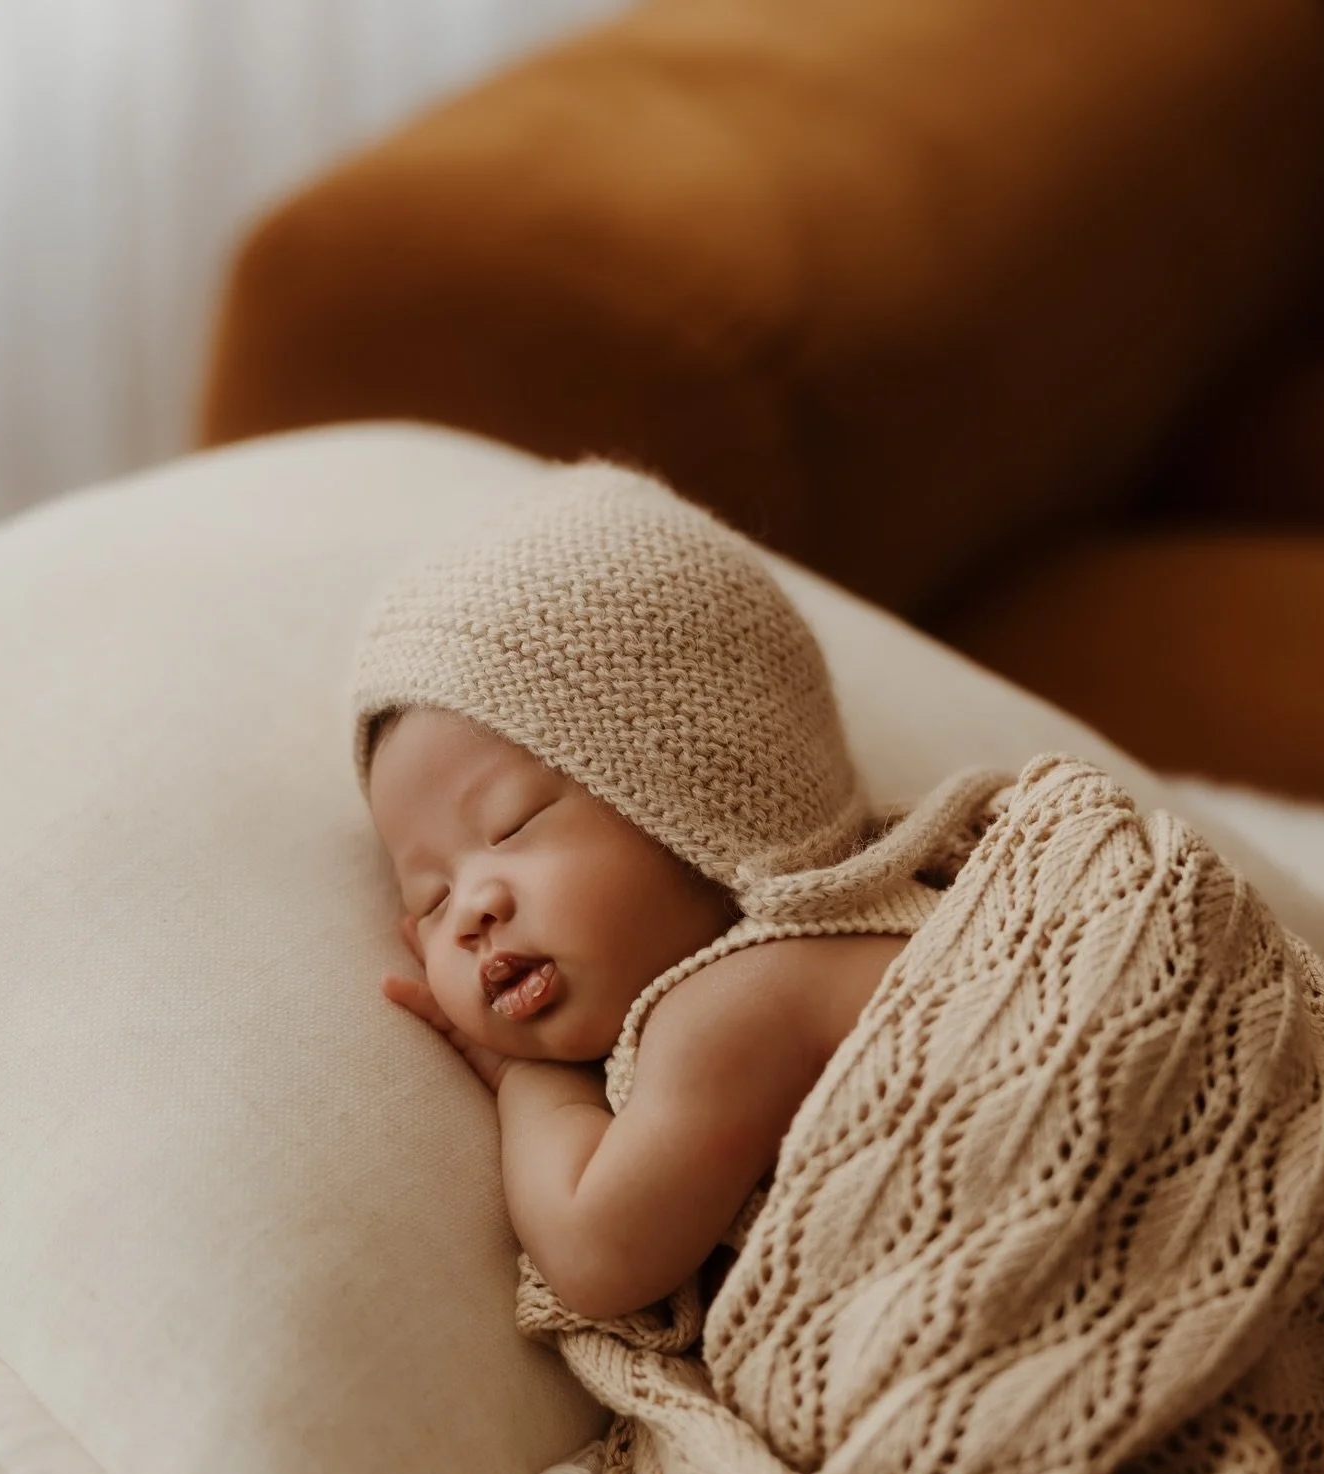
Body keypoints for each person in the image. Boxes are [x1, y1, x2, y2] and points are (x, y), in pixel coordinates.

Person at [352, 460, 995, 1320]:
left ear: (700, 790)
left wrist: (521, 1079)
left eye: (511, 826)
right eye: (429, 897)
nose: (471, 909)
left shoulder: (742, 1004)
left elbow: (596, 1251)